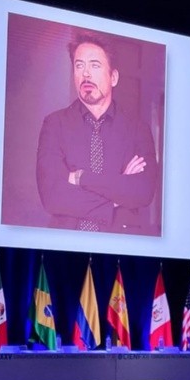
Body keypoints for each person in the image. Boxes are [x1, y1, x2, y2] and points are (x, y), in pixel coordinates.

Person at [36, 30, 159, 235]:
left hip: (120, 245)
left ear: (113, 77)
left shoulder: (138, 129)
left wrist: (81, 178)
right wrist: (116, 197)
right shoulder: (54, 124)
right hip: (66, 243)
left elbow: (142, 192)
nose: (85, 73)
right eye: (79, 65)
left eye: (94, 65)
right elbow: (52, 196)